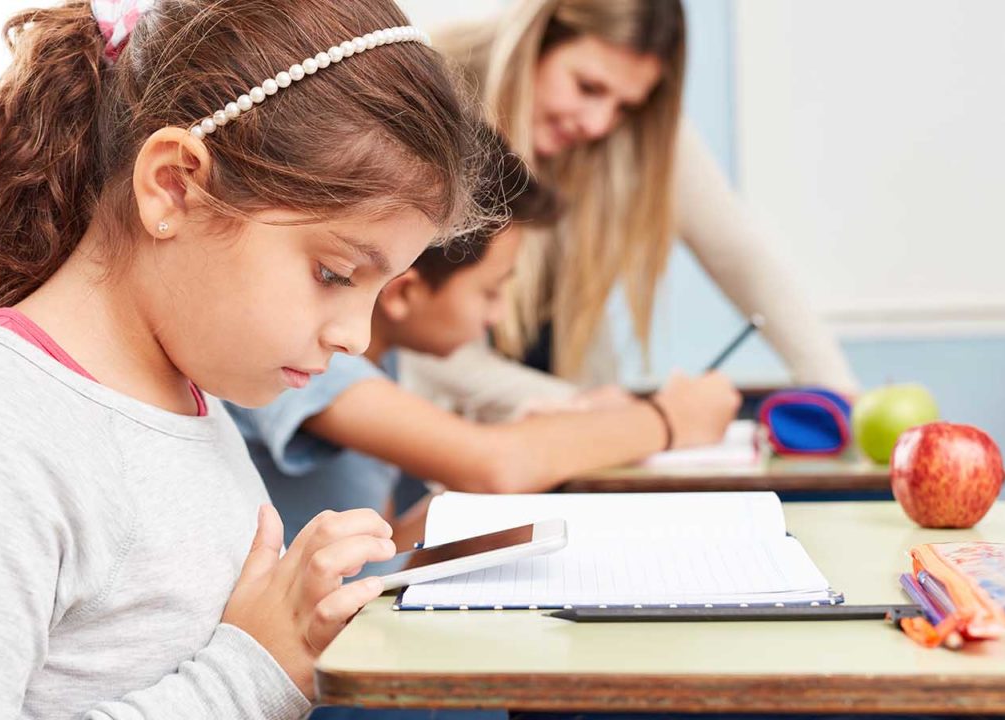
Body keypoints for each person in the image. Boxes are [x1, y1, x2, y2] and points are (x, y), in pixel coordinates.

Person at [0, 2, 492, 717]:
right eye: (335, 273)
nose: (355, 335)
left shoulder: (186, 404)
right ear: (173, 185)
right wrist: (250, 671)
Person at [230, 133, 738, 550]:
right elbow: (494, 463)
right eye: (492, 291)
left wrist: (550, 439)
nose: (496, 317)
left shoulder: (379, 369)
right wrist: (671, 420)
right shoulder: (316, 365)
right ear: (406, 292)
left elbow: (385, 553)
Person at [408, 0, 858, 423]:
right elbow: (418, 327)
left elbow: (741, 259)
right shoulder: (438, 83)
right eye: (588, 87)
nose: (599, 123)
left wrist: (840, 394)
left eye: (626, 106)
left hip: (578, 429)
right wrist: (593, 412)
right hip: (445, 429)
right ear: (538, 39)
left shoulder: (642, 134)